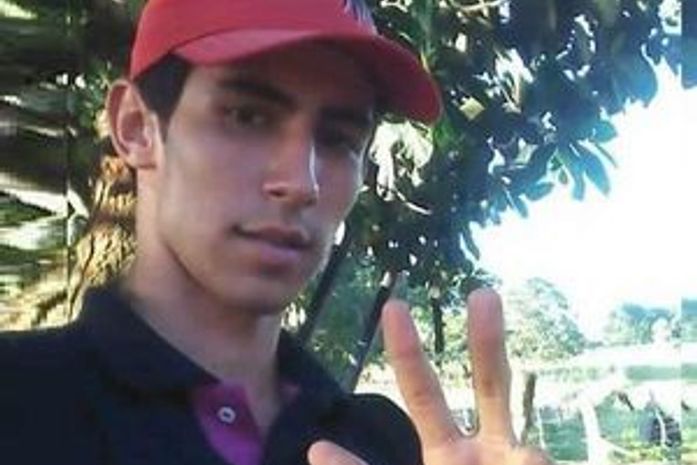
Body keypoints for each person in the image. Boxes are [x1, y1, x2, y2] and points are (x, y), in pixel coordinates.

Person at [0, 1, 551, 464]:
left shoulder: (376, 444)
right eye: (247, 116)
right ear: (136, 127)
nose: (302, 182)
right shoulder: (20, 403)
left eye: (338, 139)